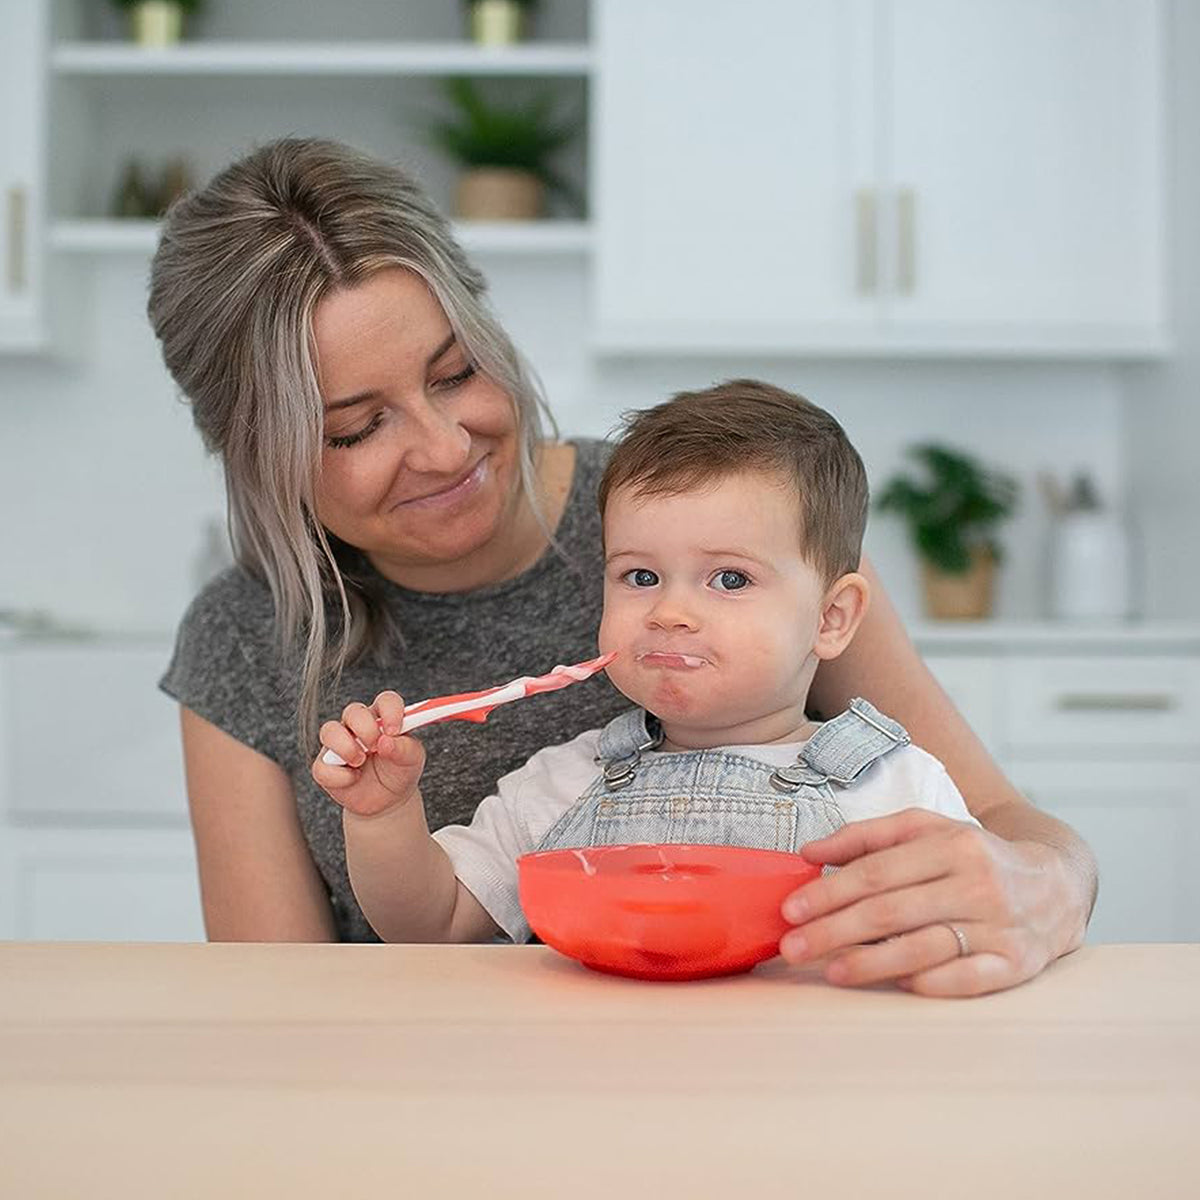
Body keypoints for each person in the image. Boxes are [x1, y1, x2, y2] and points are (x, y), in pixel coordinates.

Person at [151, 136, 1096, 996]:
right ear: (253, 452)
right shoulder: (248, 636)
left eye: (456, 374)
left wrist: (1048, 882)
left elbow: (1008, 828)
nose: (444, 448)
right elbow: (273, 1006)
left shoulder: (726, 520)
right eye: (358, 427)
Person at [313, 382, 985, 955]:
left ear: (832, 618)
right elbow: (430, 922)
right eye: (640, 575)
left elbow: (978, 934)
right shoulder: (563, 784)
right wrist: (384, 816)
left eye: (728, 578)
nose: (669, 612)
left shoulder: (898, 790)